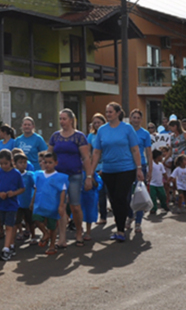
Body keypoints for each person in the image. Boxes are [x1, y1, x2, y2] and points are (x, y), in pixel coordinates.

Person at [89, 103, 144, 242]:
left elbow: (135, 149)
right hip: (108, 170)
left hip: (126, 169)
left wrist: (139, 168)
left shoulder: (127, 128)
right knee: (113, 200)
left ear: (118, 113)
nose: (108, 114)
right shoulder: (102, 130)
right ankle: (122, 220)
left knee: (120, 197)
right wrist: (90, 172)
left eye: (111, 112)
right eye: (106, 112)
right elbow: (96, 152)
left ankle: (120, 230)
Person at [49, 109, 94, 248]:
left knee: (75, 205)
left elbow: (86, 157)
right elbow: (49, 154)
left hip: (75, 174)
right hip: (59, 176)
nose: (62, 121)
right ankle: (62, 238)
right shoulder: (55, 136)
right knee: (61, 206)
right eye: (60, 119)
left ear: (71, 120)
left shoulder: (79, 136)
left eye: (64, 119)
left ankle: (79, 231)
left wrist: (89, 176)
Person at [0, 149, 24, 261]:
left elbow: (22, 188)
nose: (3, 166)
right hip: (1, 204)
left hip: (12, 204)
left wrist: (13, 193)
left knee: (10, 225)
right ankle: (11, 244)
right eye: (1, 164)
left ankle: (6, 248)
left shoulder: (16, 174)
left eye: (6, 163)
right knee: (5, 225)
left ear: (11, 161)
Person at [32, 151, 69, 255]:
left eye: (50, 162)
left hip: (53, 206)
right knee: (36, 219)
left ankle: (52, 246)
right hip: (40, 205)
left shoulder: (61, 177)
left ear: (56, 163)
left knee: (52, 226)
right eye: (46, 162)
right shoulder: (38, 175)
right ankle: (45, 233)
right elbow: (36, 189)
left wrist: (61, 206)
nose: (47, 165)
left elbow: (63, 192)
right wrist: (32, 202)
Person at [147, 149, 168, 215]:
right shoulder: (151, 164)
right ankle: (153, 208)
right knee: (152, 197)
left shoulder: (160, 165)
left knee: (163, 196)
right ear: (157, 156)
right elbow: (148, 172)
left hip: (160, 184)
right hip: (152, 184)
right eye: (161, 156)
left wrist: (167, 179)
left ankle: (164, 206)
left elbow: (164, 173)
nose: (162, 157)